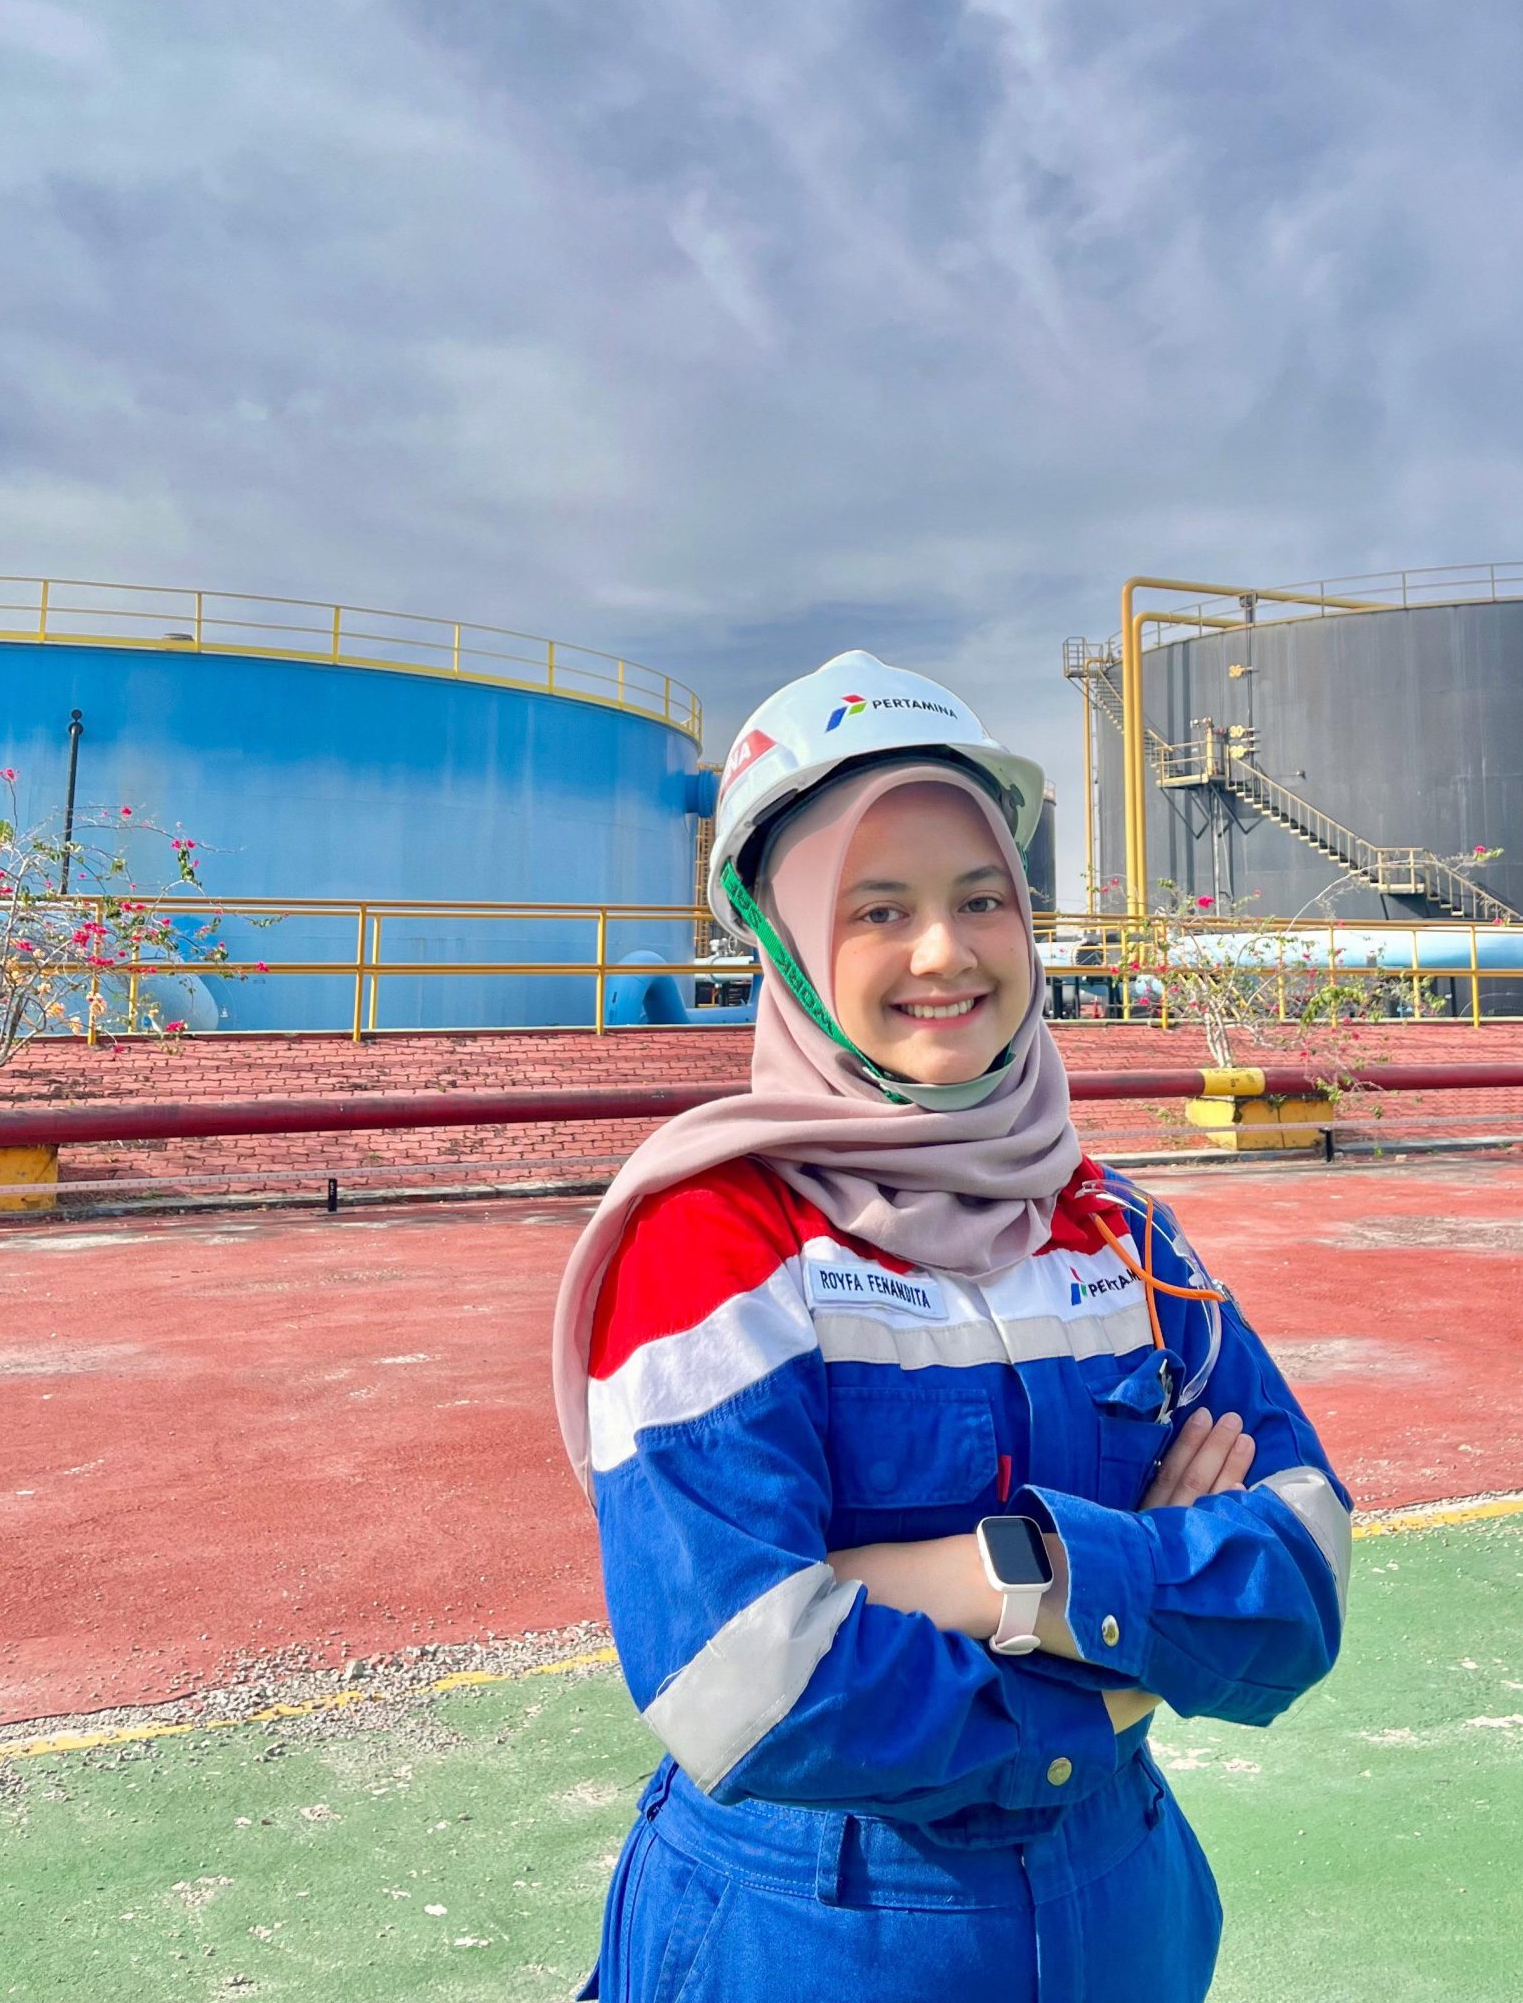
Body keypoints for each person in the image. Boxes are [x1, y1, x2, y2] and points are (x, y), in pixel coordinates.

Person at [552, 652, 1350, 2003]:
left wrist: (986, 1578)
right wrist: (1128, 1643)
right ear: (785, 942)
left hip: (1121, 1901)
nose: (946, 951)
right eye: (879, 910)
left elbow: (1300, 1570)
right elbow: (745, 1681)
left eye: (983, 898)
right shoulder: (712, 1242)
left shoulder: (1115, 1231)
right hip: (818, 1923)